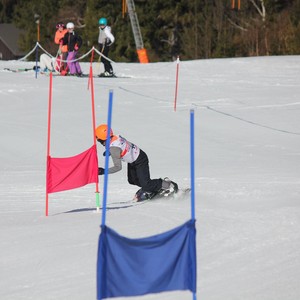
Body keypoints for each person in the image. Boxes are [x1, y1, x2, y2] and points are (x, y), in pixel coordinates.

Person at [95, 124, 178, 201]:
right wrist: (109, 151)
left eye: (100, 141)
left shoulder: (114, 149)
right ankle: (152, 188)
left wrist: (103, 171)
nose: (101, 143)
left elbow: (118, 167)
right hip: (133, 160)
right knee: (132, 180)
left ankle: (168, 184)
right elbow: (120, 146)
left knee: (146, 184)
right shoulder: (115, 137)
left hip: (140, 160)